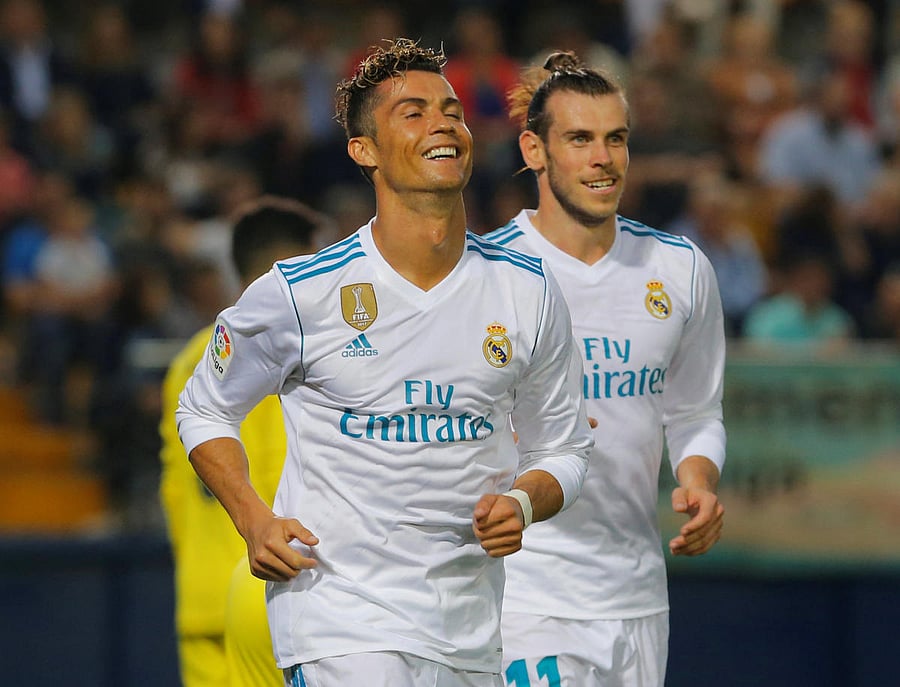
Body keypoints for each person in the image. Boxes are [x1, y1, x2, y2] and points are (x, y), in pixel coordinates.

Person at [175, 38, 593, 687]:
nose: (443, 124)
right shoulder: (302, 292)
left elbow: (565, 449)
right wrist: (253, 518)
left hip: (470, 633)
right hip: (341, 621)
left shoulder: (529, 291)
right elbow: (203, 408)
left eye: (451, 109)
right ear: (363, 150)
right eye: (414, 112)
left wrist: (524, 499)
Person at [484, 51, 726, 686]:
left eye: (616, 139)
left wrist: (699, 480)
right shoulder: (487, 273)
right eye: (581, 139)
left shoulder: (678, 268)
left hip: (638, 595)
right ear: (534, 150)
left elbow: (695, 409)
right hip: (525, 593)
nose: (604, 158)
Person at [160, 197, 324, 687]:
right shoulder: (294, 357)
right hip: (270, 590)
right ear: (290, 266)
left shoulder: (190, 361)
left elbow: (175, 490)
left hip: (199, 598)